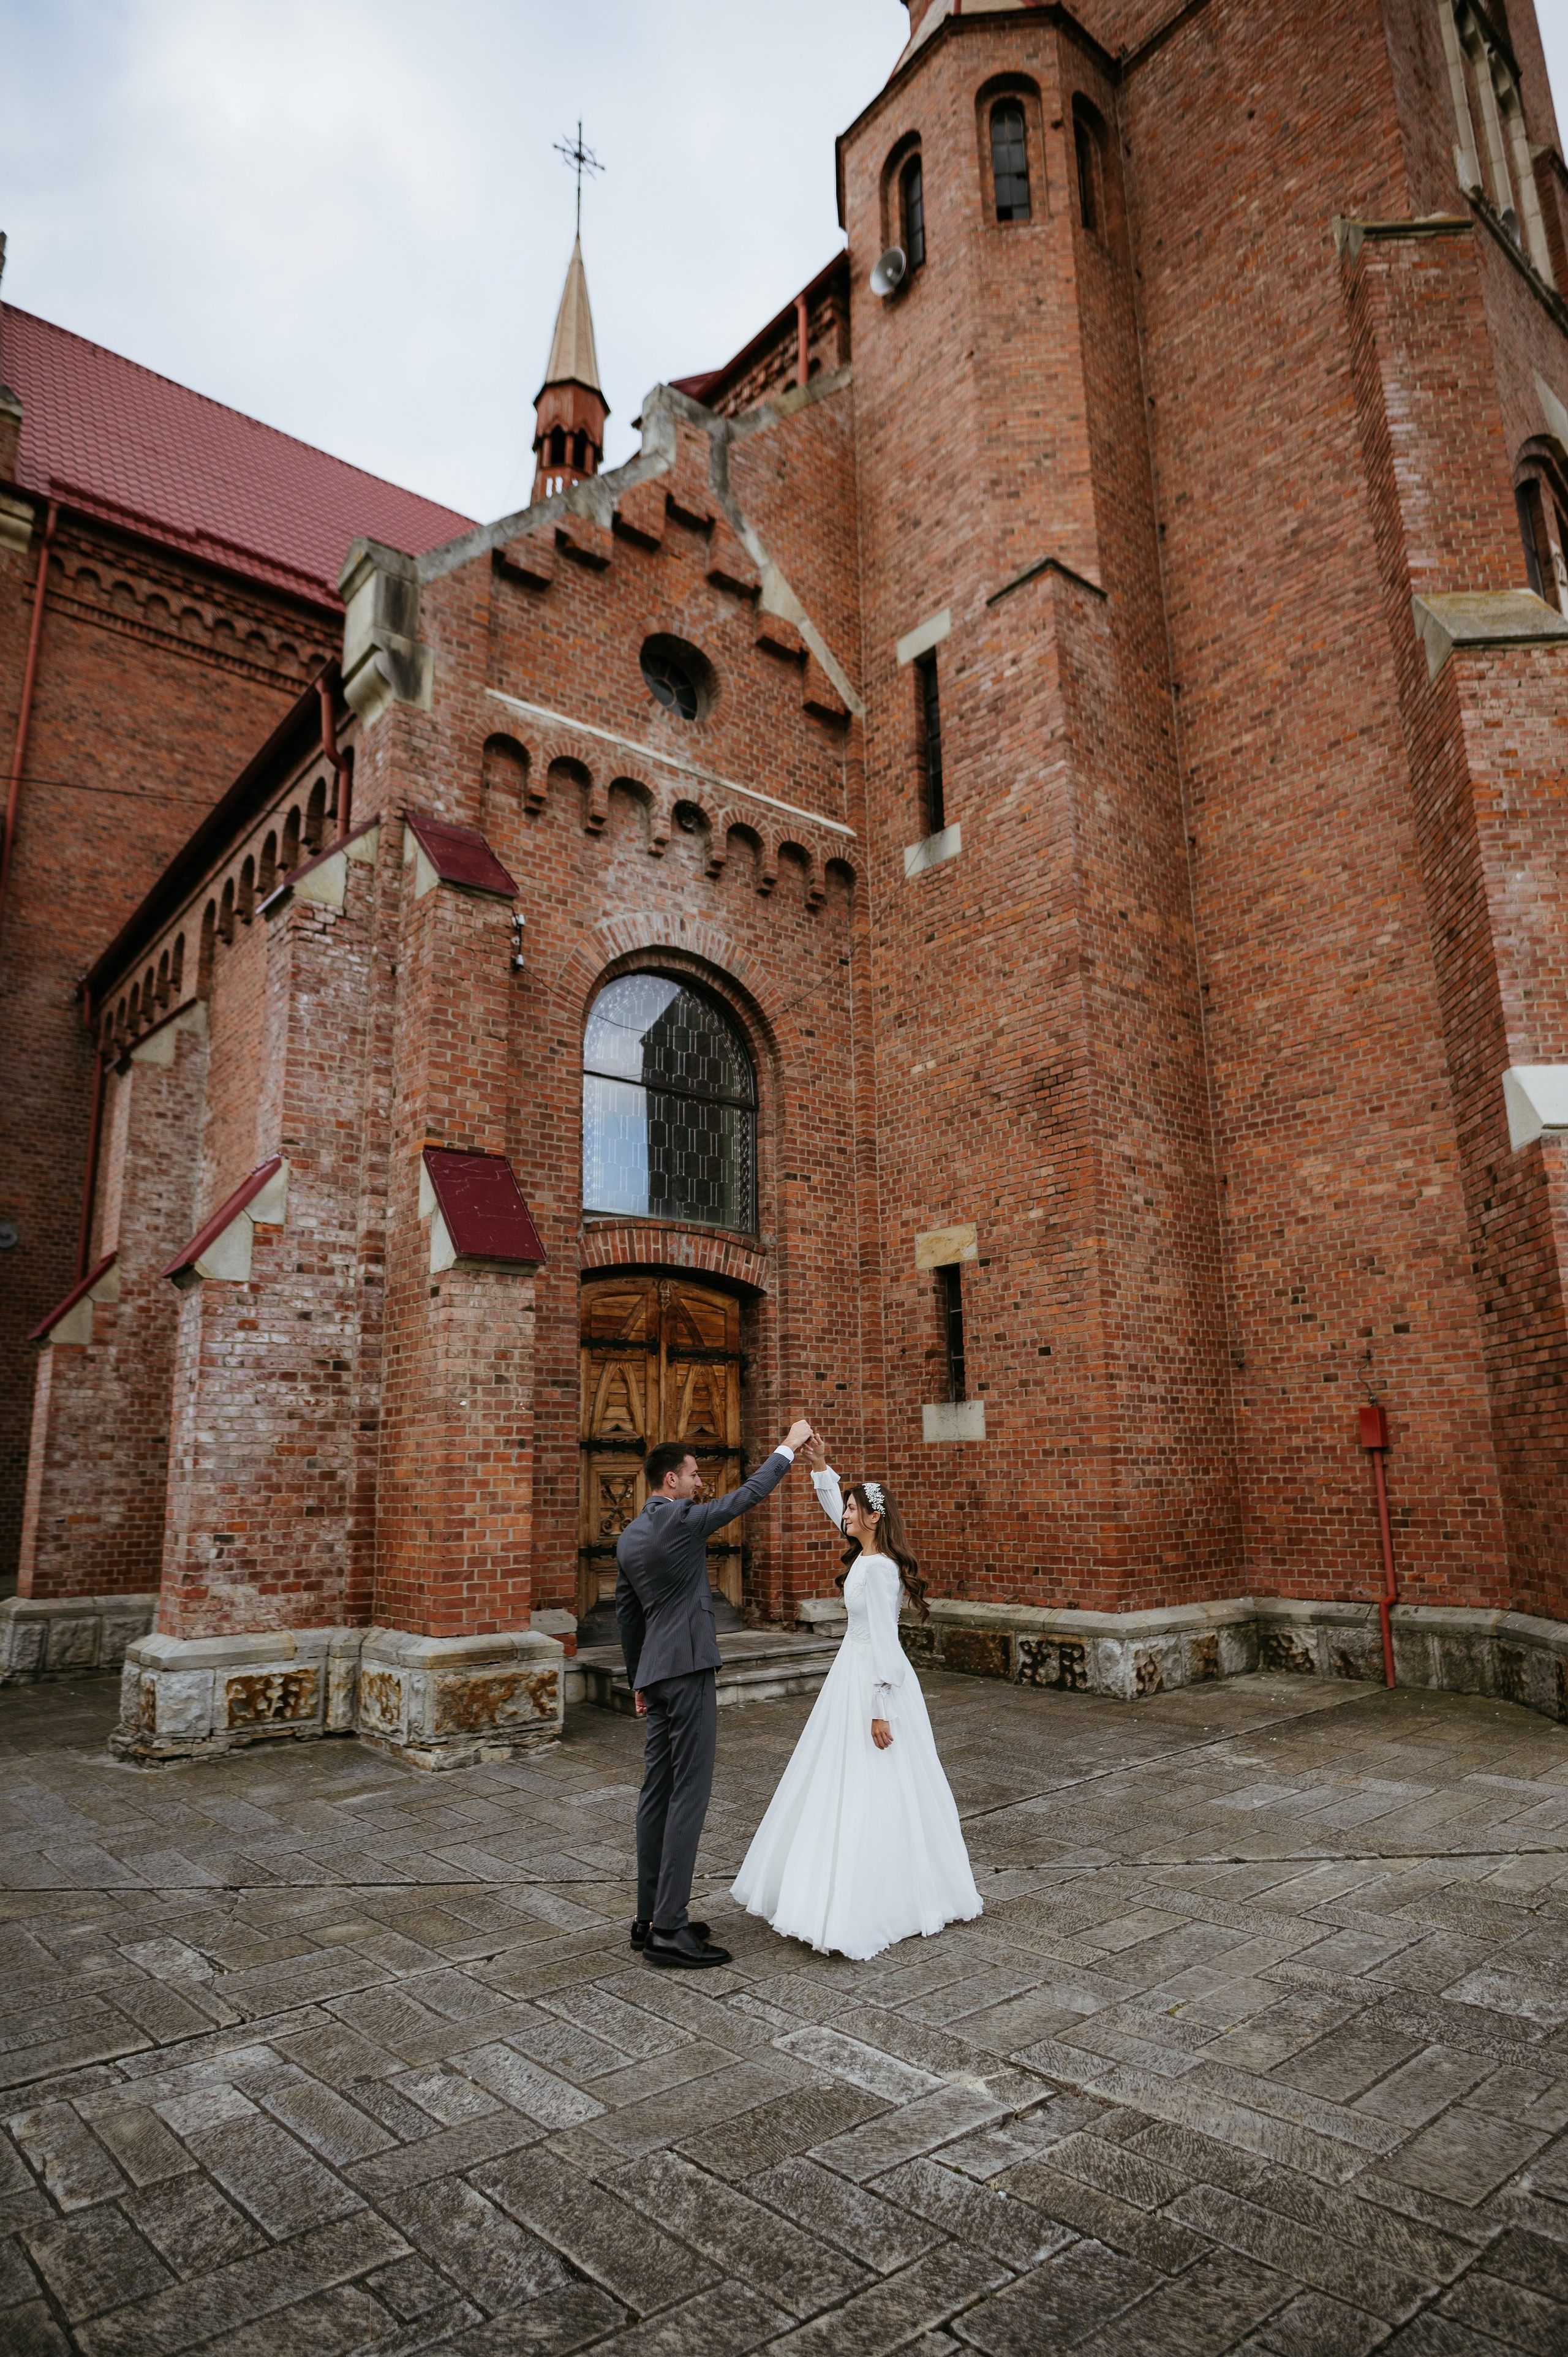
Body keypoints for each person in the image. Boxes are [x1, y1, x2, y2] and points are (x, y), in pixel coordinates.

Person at [731, 1435, 982, 1960]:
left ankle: (882, 1897)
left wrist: (879, 1711)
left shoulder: (882, 1569)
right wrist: (822, 1468)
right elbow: (835, 1511)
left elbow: (886, 1641)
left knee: (879, 1778)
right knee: (839, 1773)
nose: (844, 1515)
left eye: (852, 1509)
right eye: (845, 1507)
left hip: (873, 1680)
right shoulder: (867, 1556)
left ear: (873, 1517)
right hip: (852, 1673)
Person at [616, 1419, 815, 1969]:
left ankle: (648, 1917)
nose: (700, 1483)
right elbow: (746, 1497)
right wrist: (787, 1448)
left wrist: (639, 1679)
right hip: (688, 1669)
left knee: (656, 1792)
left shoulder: (630, 1536)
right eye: (694, 1475)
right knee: (689, 1793)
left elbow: (628, 1616)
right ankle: (669, 1928)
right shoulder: (680, 1520)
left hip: (657, 1674)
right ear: (671, 1481)